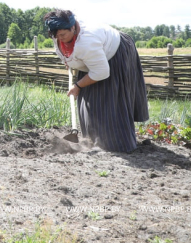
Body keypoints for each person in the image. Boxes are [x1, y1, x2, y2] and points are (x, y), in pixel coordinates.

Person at [44, 9, 148, 152]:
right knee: (89, 101)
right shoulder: (60, 34)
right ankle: (92, 141)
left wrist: (78, 86)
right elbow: (66, 50)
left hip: (116, 54)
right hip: (95, 59)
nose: (59, 38)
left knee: (109, 101)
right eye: (56, 35)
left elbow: (101, 72)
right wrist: (69, 60)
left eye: (63, 35)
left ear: (73, 28)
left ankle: (117, 145)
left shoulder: (87, 41)